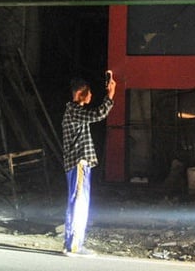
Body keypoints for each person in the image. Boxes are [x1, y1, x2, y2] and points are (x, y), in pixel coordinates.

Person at [61, 70, 116, 256]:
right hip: (79, 163)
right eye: (89, 92)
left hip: (77, 164)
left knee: (76, 201)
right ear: (80, 93)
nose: (91, 96)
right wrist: (110, 95)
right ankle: (75, 245)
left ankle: (71, 243)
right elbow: (99, 114)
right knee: (80, 202)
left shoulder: (73, 112)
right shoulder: (75, 111)